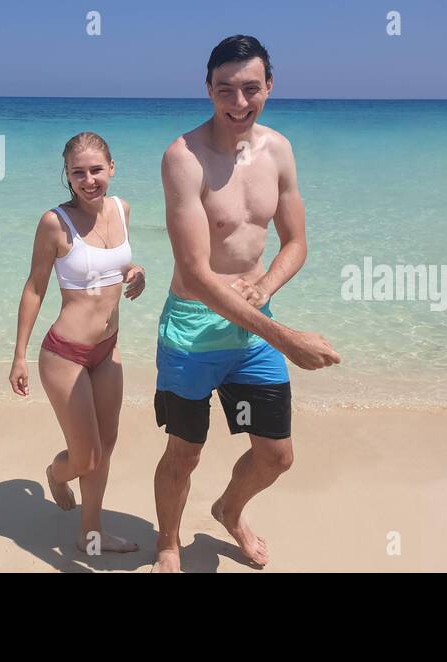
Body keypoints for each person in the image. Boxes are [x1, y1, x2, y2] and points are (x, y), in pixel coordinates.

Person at [152, 35, 340, 572]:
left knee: (276, 456)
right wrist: (287, 338)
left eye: (251, 89)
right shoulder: (183, 158)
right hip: (192, 330)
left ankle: (229, 510)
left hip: (253, 331)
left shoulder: (278, 150)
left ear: (270, 87)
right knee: (184, 453)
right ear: (207, 90)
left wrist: (267, 288)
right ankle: (168, 542)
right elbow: (194, 271)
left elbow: (296, 242)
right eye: (225, 91)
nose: (239, 104)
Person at [9, 132, 146, 554]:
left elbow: (116, 264)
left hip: (108, 351)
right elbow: (35, 288)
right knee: (84, 458)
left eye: (96, 170)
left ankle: (92, 533)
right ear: (67, 176)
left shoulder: (122, 210)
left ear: (112, 168)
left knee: (105, 449)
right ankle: (56, 472)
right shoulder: (55, 222)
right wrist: (18, 356)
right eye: (78, 173)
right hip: (65, 354)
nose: (88, 180)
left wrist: (136, 272)